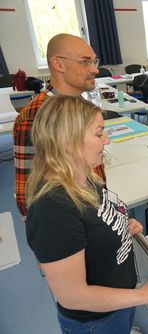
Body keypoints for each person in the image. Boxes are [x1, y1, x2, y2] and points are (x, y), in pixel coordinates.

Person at [25, 96, 148, 333]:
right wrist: (143, 295)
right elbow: (73, 297)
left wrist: (118, 226)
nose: (106, 140)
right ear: (68, 141)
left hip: (118, 302)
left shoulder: (80, 175)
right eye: (99, 134)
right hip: (96, 320)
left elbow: (91, 223)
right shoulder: (53, 209)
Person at [14, 33, 105, 218]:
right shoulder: (36, 116)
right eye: (86, 61)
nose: (95, 70)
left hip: (94, 214)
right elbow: (28, 196)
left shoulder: (79, 106)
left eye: (95, 61)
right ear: (58, 64)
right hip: (73, 231)